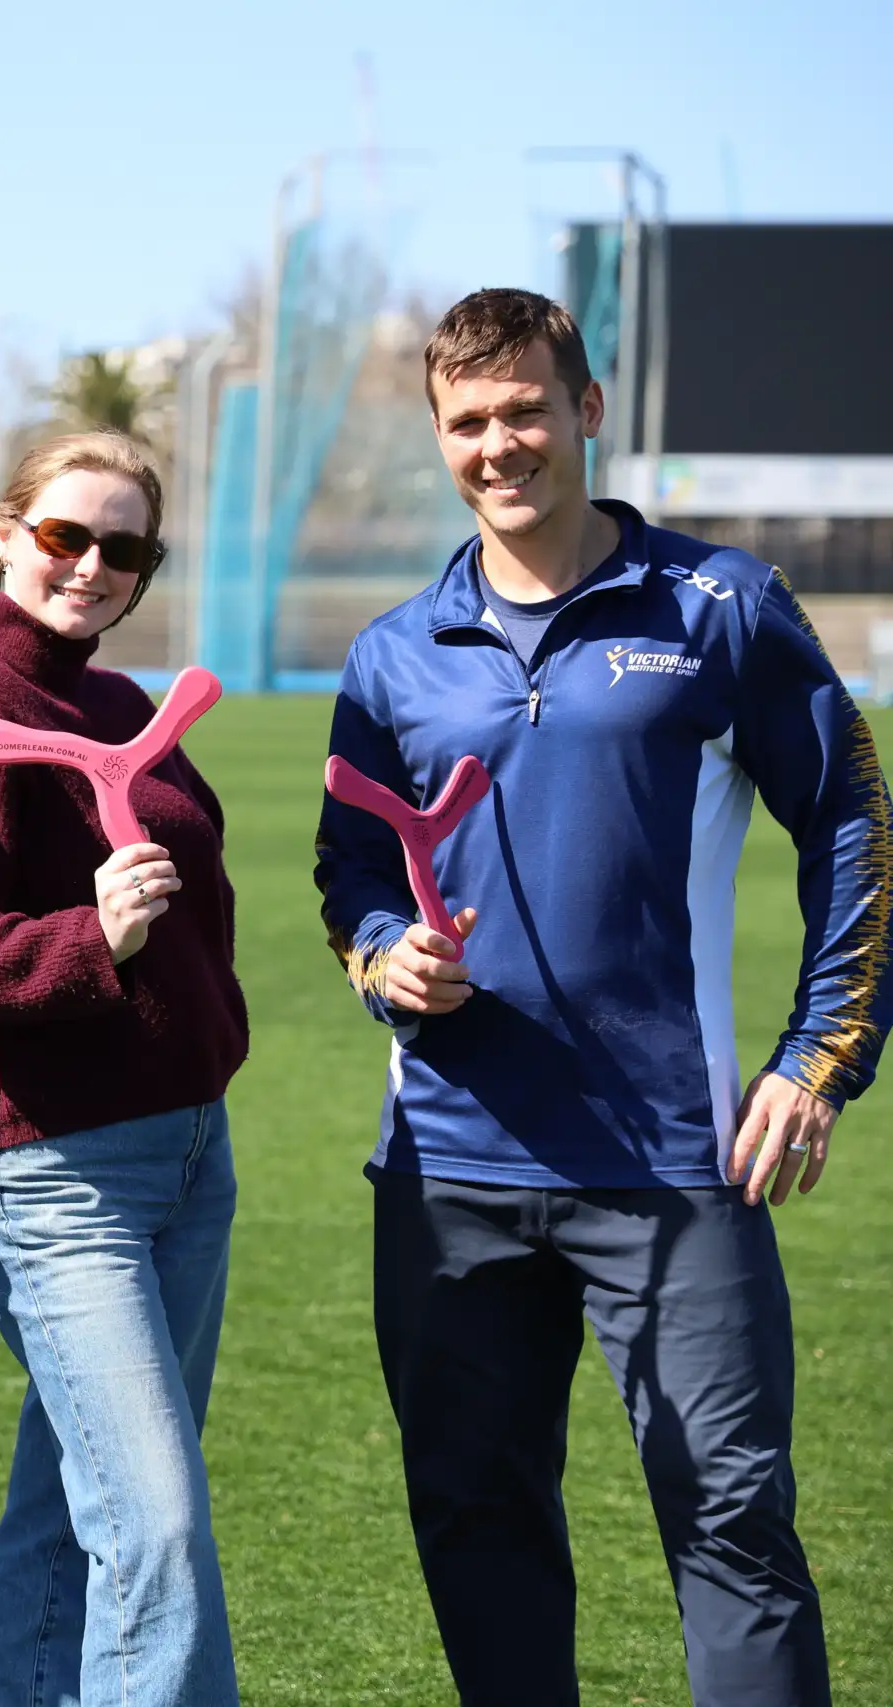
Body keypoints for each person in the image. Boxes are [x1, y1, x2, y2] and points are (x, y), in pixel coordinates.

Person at [315, 287, 884, 1707]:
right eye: (467, 422)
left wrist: (820, 1055)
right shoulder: (395, 649)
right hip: (449, 1166)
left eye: (523, 410)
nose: (498, 444)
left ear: (587, 410)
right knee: (477, 1516)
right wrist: (385, 954)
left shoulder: (722, 605)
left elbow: (855, 820)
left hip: (675, 1166)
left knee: (732, 1526)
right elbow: (349, 872)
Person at [0, 430, 247, 1706]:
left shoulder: (120, 707)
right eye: (64, 536)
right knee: (156, 1531)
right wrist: (96, 937)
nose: (89, 566)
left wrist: (209, 1033)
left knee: (74, 1512)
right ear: (2, 531)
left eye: (123, 548)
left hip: (187, 1152)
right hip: (52, 1172)